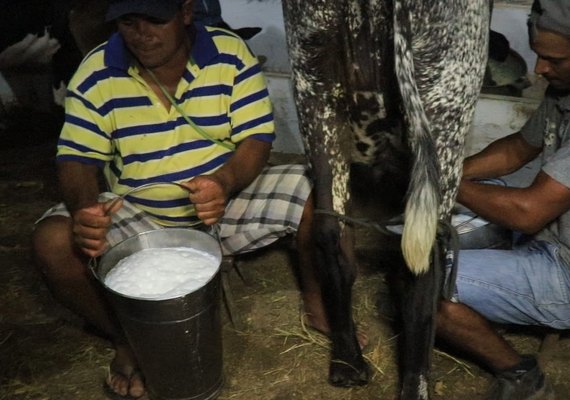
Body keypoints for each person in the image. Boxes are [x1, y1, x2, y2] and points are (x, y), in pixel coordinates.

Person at [31, 0, 329, 398]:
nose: (142, 34)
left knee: (321, 194)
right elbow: (76, 157)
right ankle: (130, 339)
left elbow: (256, 138)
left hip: (222, 203)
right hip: (142, 215)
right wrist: (86, 208)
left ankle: (319, 303)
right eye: (128, 22)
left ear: (186, 12)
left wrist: (224, 181)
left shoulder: (228, 54)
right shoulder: (96, 70)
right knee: (53, 241)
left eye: (156, 19)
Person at [437, 1, 570, 399]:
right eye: (538, 54)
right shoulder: (562, 94)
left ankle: (521, 376)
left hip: (565, 270)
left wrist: (438, 183)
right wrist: (451, 172)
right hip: (550, 240)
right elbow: (517, 149)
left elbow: (527, 213)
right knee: (428, 234)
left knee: (422, 282)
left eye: (554, 59)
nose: (540, 69)